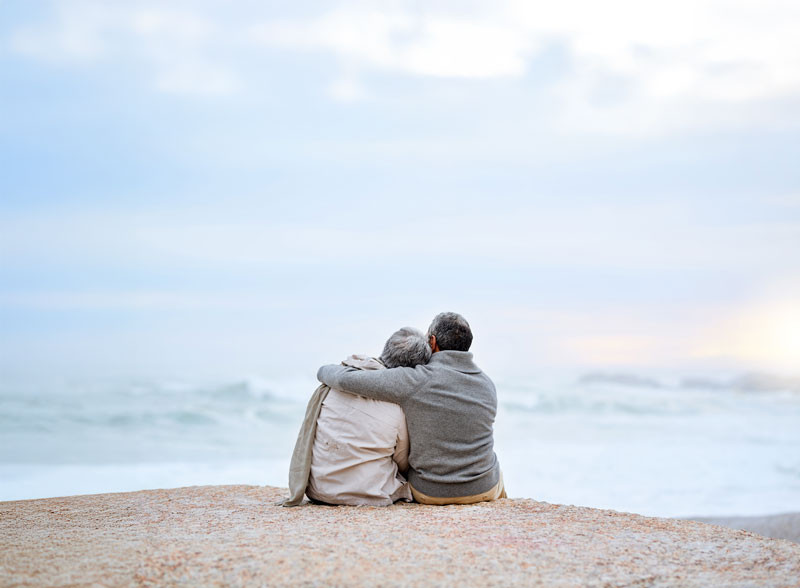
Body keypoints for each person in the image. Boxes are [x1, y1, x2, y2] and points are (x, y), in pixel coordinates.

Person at [316, 312, 505, 505]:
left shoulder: (416, 379)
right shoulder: (487, 384)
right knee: (494, 467)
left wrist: (323, 370)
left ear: (432, 341)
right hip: (484, 488)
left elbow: (346, 380)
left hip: (430, 492)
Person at [283, 327, 431, 506]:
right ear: (413, 370)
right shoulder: (397, 407)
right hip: (369, 494)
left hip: (318, 489)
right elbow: (402, 461)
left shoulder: (335, 383)